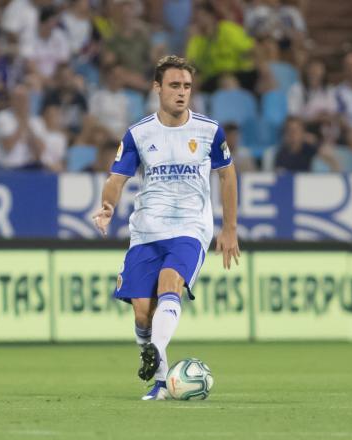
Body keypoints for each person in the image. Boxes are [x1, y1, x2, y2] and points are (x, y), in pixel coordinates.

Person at [92, 55, 240, 401]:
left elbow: (228, 175)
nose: (182, 92)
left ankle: (156, 355)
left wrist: (229, 228)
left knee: (169, 282)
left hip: (191, 227)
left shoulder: (208, 130)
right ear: (157, 88)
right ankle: (158, 378)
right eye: (174, 85)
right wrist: (108, 206)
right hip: (146, 230)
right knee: (143, 309)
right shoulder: (139, 134)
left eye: (187, 86)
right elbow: (117, 178)